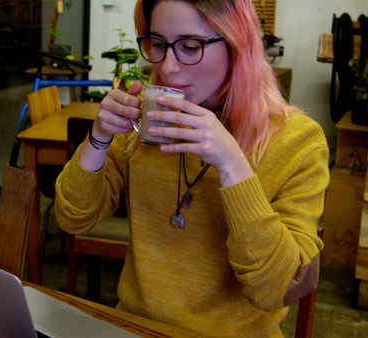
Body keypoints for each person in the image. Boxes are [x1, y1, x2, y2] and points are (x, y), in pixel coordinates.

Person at [55, 0, 329, 336]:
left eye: (189, 46)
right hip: (134, 327)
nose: (168, 67)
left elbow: (277, 288)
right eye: (157, 44)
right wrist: (99, 137)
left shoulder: (298, 141)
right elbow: (73, 217)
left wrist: (232, 165)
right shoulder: (147, 121)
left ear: (236, 44)